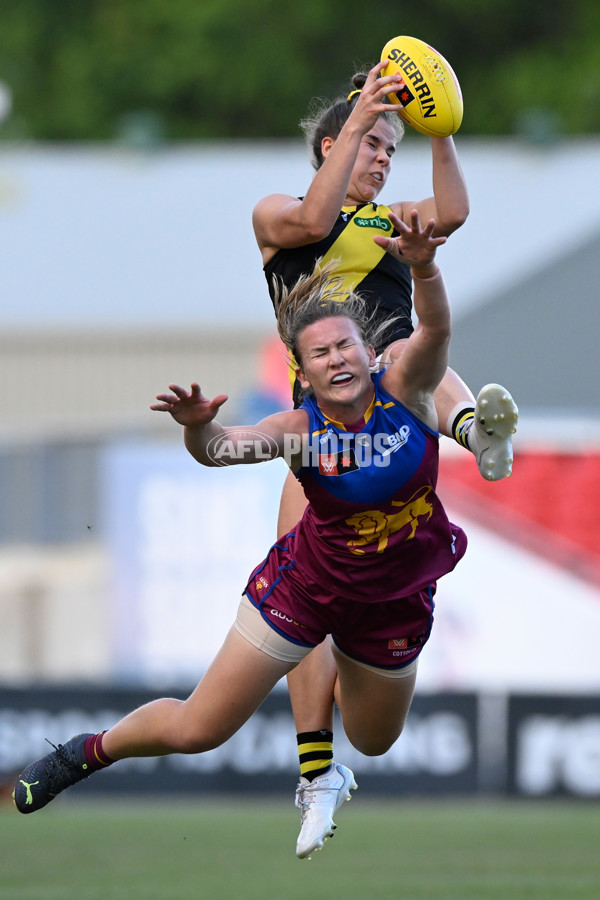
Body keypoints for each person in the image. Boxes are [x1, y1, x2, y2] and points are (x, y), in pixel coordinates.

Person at [14, 215, 467, 860]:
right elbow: (222, 450)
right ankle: (84, 753)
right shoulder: (297, 428)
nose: (337, 357)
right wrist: (198, 428)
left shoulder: (410, 390)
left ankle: (329, 756)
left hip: (392, 600)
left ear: (370, 353)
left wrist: (423, 265)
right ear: (303, 375)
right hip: (304, 589)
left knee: (373, 741)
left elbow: (438, 328)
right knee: (200, 728)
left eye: (345, 346)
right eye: (319, 353)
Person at [252, 60, 518, 856]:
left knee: (409, 348)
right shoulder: (281, 214)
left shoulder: (393, 220)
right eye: (372, 141)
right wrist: (368, 107)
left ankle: (475, 431)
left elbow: (456, 212)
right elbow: (308, 222)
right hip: (322, 430)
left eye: (389, 149)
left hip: (394, 400)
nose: (381, 158)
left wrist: (441, 133)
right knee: (298, 589)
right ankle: (317, 773)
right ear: (333, 142)